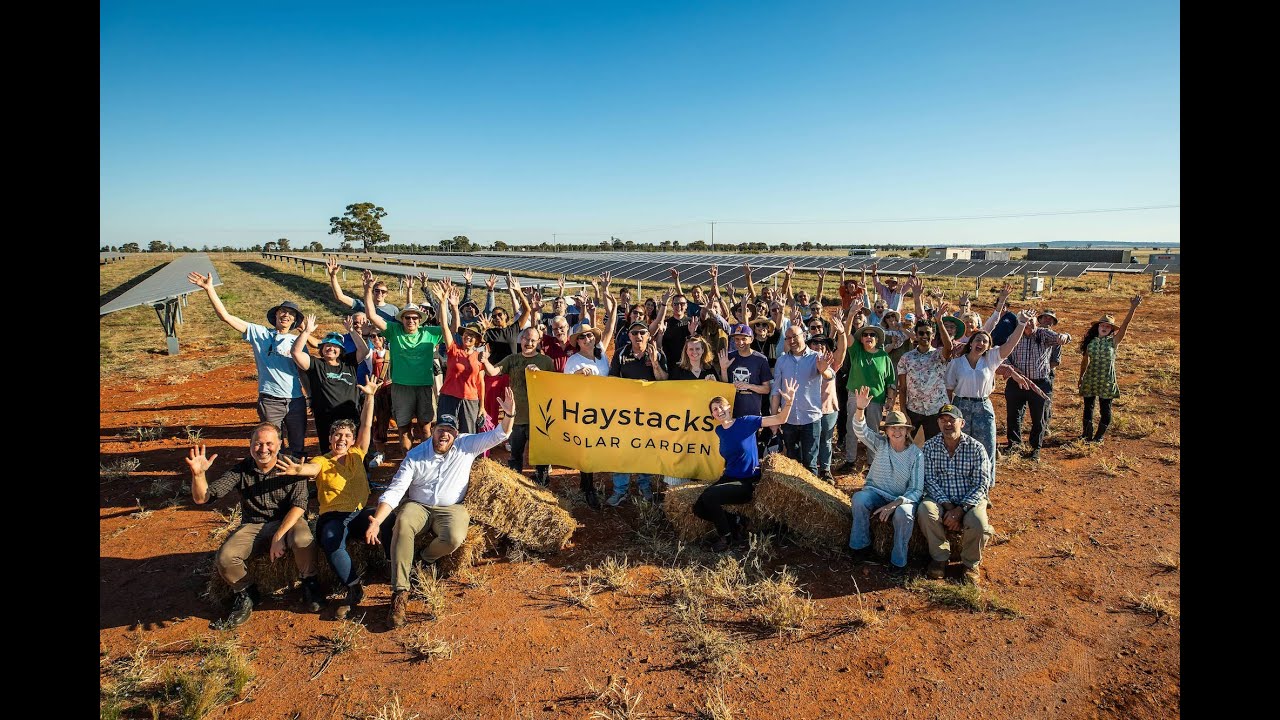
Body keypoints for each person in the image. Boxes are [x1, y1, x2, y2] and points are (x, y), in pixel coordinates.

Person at [363, 389, 518, 628]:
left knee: (455, 537)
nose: (445, 435)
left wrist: (508, 414)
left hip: (451, 507)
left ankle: (424, 560)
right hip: (418, 505)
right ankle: (400, 593)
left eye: (450, 432)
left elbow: (501, 434)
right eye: (441, 430)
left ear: (456, 435)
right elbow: (395, 490)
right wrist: (377, 520)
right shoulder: (415, 455)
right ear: (432, 431)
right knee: (402, 523)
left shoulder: (467, 445)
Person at [272, 377, 393, 619]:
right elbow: (310, 470)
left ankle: (393, 569)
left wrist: (370, 397)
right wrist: (298, 470)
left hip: (359, 513)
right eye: (337, 435)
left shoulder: (358, 453)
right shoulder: (321, 461)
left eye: (347, 436)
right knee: (330, 538)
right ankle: (353, 587)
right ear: (330, 439)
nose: (342, 439)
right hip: (333, 517)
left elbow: (367, 427)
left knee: (390, 519)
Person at [185, 424, 320, 630]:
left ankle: (309, 582)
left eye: (269, 444)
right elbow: (203, 498)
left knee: (303, 541)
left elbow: (300, 505)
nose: (263, 449)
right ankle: (246, 593)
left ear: (279, 445)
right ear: (250, 446)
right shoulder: (241, 470)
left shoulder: (292, 465)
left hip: (289, 520)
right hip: (254, 524)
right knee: (225, 558)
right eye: (258, 443)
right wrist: (198, 475)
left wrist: (278, 536)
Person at [187, 272, 308, 459]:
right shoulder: (260, 334)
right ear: (276, 315)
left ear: (294, 321)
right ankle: (272, 481)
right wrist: (209, 289)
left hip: (296, 400)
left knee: (298, 445)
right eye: (282, 311)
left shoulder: (297, 341)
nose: (286, 315)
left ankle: (297, 484)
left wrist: (311, 397)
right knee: (273, 445)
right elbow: (226, 317)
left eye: (291, 314)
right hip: (270, 399)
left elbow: (305, 372)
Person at [696, 378, 799, 551]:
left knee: (710, 496)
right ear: (713, 415)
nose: (719, 410)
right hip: (730, 477)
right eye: (715, 409)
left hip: (748, 481)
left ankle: (726, 538)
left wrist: (789, 402)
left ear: (729, 407)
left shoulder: (746, 422)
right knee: (698, 508)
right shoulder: (719, 430)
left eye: (721, 406)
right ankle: (735, 524)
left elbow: (780, 418)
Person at [945, 309, 1035, 477]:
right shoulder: (956, 363)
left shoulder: (991, 359)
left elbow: (1011, 344)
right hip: (960, 406)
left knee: (987, 446)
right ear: (971, 342)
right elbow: (949, 389)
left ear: (988, 346)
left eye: (986, 341)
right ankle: (961, 483)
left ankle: (985, 486)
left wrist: (1021, 323)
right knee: (960, 446)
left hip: (983, 407)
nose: (981, 343)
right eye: (978, 339)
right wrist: (950, 413)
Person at [363, 270, 445, 454]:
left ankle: (427, 459)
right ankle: (408, 459)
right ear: (402, 319)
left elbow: (452, 328)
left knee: (425, 427)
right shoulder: (394, 330)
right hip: (401, 387)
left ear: (419, 320)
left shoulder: (429, 333)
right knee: (403, 427)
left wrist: (444, 302)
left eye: (414, 318)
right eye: (407, 317)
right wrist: (368, 289)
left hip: (424, 386)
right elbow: (372, 315)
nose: (410, 321)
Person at [848, 387, 924, 574]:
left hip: (901, 499)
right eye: (892, 428)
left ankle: (899, 561)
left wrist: (894, 504)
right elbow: (861, 431)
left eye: (900, 428)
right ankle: (860, 547)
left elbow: (916, 490)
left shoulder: (916, 455)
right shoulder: (880, 443)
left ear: (907, 431)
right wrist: (859, 408)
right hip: (876, 492)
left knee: (904, 514)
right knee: (859, 499)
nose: (896, 432)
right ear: (887, 430)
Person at [917, 404, 993, 586]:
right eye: (943, 420)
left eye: (952, 419)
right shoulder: (929, 447)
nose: (947, 423)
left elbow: (982, 483)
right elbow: (928, 480)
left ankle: (969, 564)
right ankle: (940, 557)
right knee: (925, 510)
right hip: (941, 500)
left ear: (962, 423)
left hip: (969, 500)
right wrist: (948, 507)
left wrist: (961, 510)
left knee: (979, 523)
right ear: (938, 423)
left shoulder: (976, 448)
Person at [479, 327, 555, 484]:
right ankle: (515, 485)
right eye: (527, 339)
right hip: (516, 417)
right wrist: (485, 361)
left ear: (538, 342)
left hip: (539, 418)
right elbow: (492, 372)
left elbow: (553, 386)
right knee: (515, 456)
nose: (529, 343)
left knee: (540, 457)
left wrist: (539, 374)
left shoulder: (546, 361)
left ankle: (542, 485)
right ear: (521, 339)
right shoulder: (512, 359)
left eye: (533, 340)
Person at [606, 321, 670, 505]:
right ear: (629, 335)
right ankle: (620, 490)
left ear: (648, 335)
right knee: (623, 450)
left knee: (646, 449)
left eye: (642, 332)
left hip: (650, 413)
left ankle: (645, 486)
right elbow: (612, 379)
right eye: (634, 333)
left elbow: (665, 381)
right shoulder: (621, 353)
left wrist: (656, 363)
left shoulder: (657, 353)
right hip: (625, 412)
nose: (638, 336)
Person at [833, 296, 897, 472]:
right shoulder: (856, 352)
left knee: (872, 430)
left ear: (877, 339)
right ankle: (851, 460)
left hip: (876, 398)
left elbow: (891, 380)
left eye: (872, 335)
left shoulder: (884, 356)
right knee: (852, 427)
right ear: (861, 339)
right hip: (855, 395)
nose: (869, 337)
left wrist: (890, 399)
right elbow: (846, 335)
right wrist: (852, 314)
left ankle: (872, 463)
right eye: (866, 335)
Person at [291, 316, 369, 454]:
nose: (331, 348)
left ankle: (358, 473)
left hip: (351, 415)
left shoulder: (348, 363)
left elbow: (364, 350)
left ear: (341, 351)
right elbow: (296, 353)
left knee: (354, 448)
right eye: (327, 345)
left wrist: (351, 331)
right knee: (329, 449)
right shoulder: (316, 364)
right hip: (326, 417)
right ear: (322, 348)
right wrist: (306, 331)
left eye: (335, 346)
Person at [1003, 309, 1072, 461]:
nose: (1030, 324)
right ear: (1020, 323)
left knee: (1038, 418)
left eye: (1032, 321)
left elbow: (1062, 338)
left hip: (1040, 383)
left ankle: (1035, 449)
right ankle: (1014, 445)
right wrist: (1012, 369)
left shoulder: (1043, 334)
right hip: (1017, 382)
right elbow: (1003, 356)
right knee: (1013, 415)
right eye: (1026, 321)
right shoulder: (1013, 337)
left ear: (1037, 323)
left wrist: (1064, 337)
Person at [769, 322, 835, 476]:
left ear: (804, 336)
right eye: (788, 338)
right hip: (788, 419)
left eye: (795, 337)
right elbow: (776, 392)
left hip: (811, 419)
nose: (791, 340)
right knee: (792, 461)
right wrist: (774, 419)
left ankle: (811, 496)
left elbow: (830, 376)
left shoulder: (817, 357)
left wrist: (823, 371)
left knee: (810, 463)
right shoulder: (782, 361)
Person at [1080, 295, 1143, 443]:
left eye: (1108, 326)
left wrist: (1133, 307)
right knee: (1088, 407)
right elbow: (1084, 361)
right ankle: (1086, 435)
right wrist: (1080, 377)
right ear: (1098, 327)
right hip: (1090, 378)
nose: (1104, 327)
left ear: (1111, 330)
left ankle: (1099, 436)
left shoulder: (1114, 341)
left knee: (1105, 408)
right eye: (1102, 325)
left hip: (1107, 380)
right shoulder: (1091, 342)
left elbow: (1126, 324)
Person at [433, 278, 488, 434]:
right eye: (466, 334)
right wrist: (443, 302)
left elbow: (480, 383)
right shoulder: (454, 350)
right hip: (448, 398)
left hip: (470, 400)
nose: (468, 337)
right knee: (444, 433)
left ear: (477, 340)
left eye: (472, 335)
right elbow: (444, 326)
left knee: (467, 435)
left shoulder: (479, 356)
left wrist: (482, 406)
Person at [896, 310, 956, 443]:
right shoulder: (906, 358)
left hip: (937, 410)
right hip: (914, 409)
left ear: (933, 335)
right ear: (916, 335)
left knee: (936, 447)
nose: (924, 336)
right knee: (910, 446)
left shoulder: (939, 355)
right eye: (921, 333)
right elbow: (903, 388)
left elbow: (949, 347)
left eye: (928, 333)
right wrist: (904, 412)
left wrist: (939, 321)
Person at [716, 324, 772, 419]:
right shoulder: (728, 357)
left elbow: (766, 389)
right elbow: (724, 386)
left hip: (752, 413)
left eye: (744, 339)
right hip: (730, 412)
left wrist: (748, 386)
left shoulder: (761, 359)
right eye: (737, 339)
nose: (740, 342)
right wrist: (724, 369)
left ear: (751, 339)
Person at [807, 333, 841, 482]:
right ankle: (812, 469)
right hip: (809, 409)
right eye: (814, 342)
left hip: (828, 408)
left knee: (826, 440)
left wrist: (841, 332)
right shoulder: (805, 362)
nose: (818, 345)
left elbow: (829, 374)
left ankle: (825, 470)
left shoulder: (832, 361)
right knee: (811, 441)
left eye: (822, 343)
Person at [326, 256, 399, 324]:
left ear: (386, 294)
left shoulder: (393, 310)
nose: (380, 293)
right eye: (377, 290)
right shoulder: (363, 306)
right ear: (373, 291)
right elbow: (340, 297)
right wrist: (333, 276)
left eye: (383, 291)